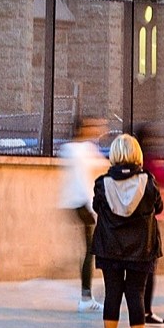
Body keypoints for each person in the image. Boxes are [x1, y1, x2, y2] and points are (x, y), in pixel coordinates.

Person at [91, 133, 162, 328]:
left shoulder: (102, 183)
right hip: (141, 248)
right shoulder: (148, 182)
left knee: (112, 294)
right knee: (136, 295)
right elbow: (159, 207)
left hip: (109, 248)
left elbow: (97, 207)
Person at [59, 117, 109, 312]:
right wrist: (92, 208)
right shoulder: (82, 150)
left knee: (90, 249)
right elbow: (84, 179)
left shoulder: (72, 148)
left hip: (76, 203)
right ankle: (86, 297)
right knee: (91, 249)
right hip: (82, 204)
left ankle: (87, 293)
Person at [133, 123, 164, 328]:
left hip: (133, 221)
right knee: (149, 267)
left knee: (135, 266)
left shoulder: (132, 163)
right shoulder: (149, 162)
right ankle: (146, 312)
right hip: (151, 222)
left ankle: (136, 307)